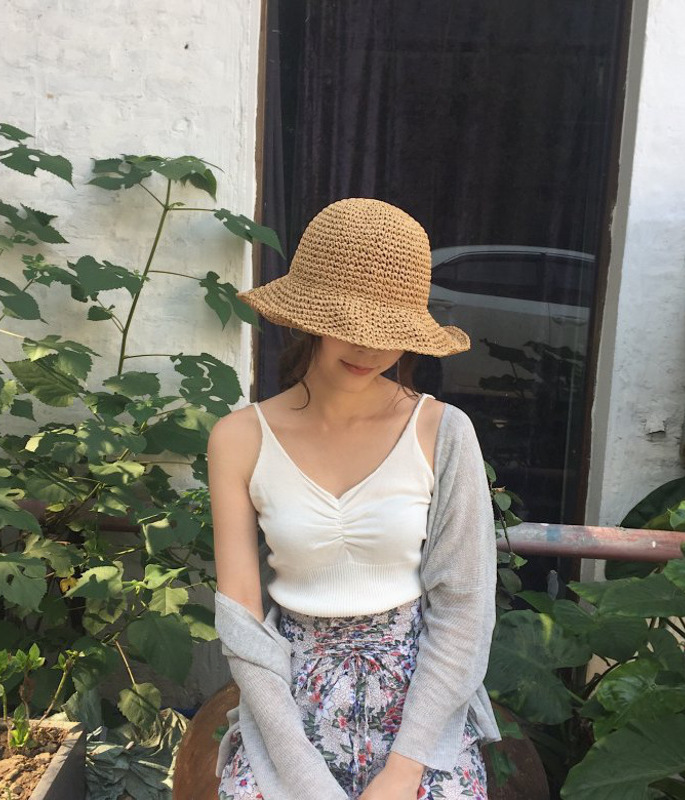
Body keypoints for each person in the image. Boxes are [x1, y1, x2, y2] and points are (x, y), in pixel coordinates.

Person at [207, 198, 499, 800]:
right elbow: (242, 622)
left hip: (422, 701)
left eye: (389, 330)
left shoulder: (443, 431)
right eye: (349, 323)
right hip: (288, 696)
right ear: (307, 317)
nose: (368, 347)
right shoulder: (238, 438)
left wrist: (405, 770)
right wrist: (303, 777)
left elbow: (464, 608)